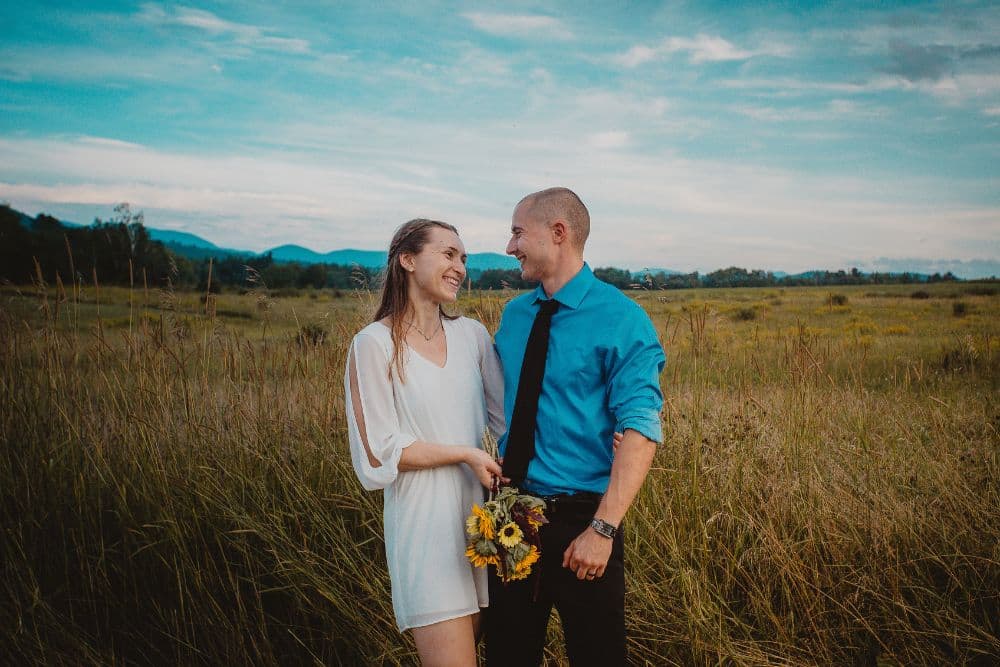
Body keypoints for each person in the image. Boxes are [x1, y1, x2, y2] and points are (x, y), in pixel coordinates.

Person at [486, 188, 666, 666]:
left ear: (558, 233)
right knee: (507, 652)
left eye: (518, 233)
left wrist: (602, 529)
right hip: (511, 515)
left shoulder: (623, 320)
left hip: (583, 522)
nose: (509, 247)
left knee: (598, 656)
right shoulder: (514, 316)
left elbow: (642, 429)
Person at [344, 218, 506, 666]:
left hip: (484, 530)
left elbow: (508, 419)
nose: (460, 267)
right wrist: (468, 453)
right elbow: (378, 454)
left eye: (464, 259)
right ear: (408, 260)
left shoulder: (472, 335)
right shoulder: (374, 344)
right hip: (426, 533)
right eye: (448, 254)